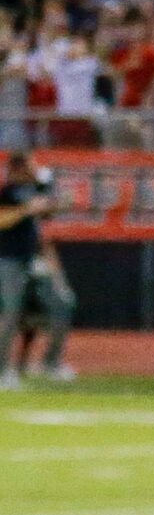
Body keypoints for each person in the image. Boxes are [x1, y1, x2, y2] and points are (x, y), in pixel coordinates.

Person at [0, 150, 71, 385]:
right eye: (29, 165)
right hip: (8, 260)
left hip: (33, 259)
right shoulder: (7, 193)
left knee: (62, 303)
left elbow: (53, 208)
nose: (33, 168)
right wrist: (26, 209)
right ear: (17, 168)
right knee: (11, 313)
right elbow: (3, 220)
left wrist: (59, 203)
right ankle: (2, 371)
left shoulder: (36, 188)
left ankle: (50, 363)